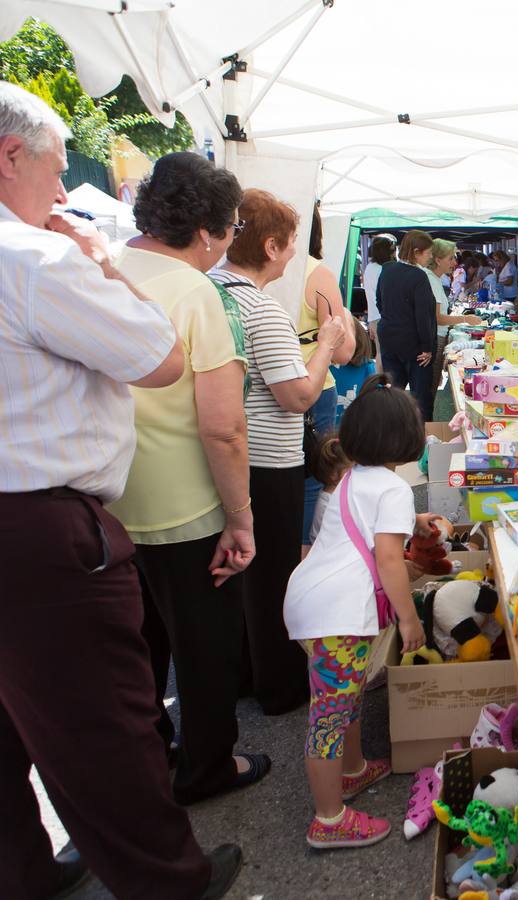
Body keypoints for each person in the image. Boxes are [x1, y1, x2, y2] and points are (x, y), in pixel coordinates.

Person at [0, 81, 241, 899]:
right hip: (40, 529)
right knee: (104, 720)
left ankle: (27, 872)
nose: (63, 190)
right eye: (56, 167)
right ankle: (169, 881)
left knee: (14, 727)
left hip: (43, 522)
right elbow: (160, 359)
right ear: (11, 158)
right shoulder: (33, 258)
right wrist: (100, 266)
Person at [109, 151, 275, 801]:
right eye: (232, 228)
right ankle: (208, 766)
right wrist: (241, 516)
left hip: (109, 502)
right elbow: (223, 427)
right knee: (205, 652)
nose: (230, 241)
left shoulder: (102, 268)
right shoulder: (198, 294)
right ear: (206, 230)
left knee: (138, 650)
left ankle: (151, 755)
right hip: (182, 509)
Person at [284, 374, 436, 850]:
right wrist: (409, 621)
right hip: (338, 616)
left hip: (318, 603)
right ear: (404, 438)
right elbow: (390, 559)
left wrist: (415, 522)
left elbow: (371, 522)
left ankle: (351, 771)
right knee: (328, 717)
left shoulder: (354, 476)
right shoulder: (394, 488)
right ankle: (328, 820)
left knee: (345, 698)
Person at [212, 188, 347, 716]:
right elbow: (298, 396)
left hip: (234, 457)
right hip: (269, 462)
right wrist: (329, 344)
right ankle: (280, 686)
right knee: (271, 579)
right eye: (291, 244)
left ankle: (248, 674)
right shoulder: (260, 308)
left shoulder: (212, 291)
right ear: (271, 246)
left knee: (245, 577)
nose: (295, 255)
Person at [301, 206, 357, 544]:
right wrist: (346, 319)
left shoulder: (241, 275)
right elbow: (344, 351)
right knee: (313, 480)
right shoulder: (316, 274)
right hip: (314, 386)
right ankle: (306, 552)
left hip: (258, 395)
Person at [377, 230, 438, 419]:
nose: (430, 258)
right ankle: (423, 438)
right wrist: (427, 347)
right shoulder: (418, 276)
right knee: (420, 398)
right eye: (428, 253)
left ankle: (391, 435)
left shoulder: (387, 270)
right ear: (416, 252)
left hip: (389, 338)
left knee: (393, 394)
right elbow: (425, 315)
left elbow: (379, 302)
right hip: (415, 345)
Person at [424, 238, 483, 388]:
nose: (454, 263)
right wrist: (465, 318)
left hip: (436, 337)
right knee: (430, 387)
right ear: (437, 260)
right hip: (435, 338)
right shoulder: (431, 279)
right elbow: (438, 318)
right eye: (450, 258)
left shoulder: (435, 278)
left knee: (431, 385)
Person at [363, 234, 397, 371]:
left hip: (375, 317)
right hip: (383, 317)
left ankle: (381, 384)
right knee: (384, 356)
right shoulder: (381, 269)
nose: (394, 253)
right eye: (392, 250)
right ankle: (383, 385)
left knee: (380, 354)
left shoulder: (370, 268)